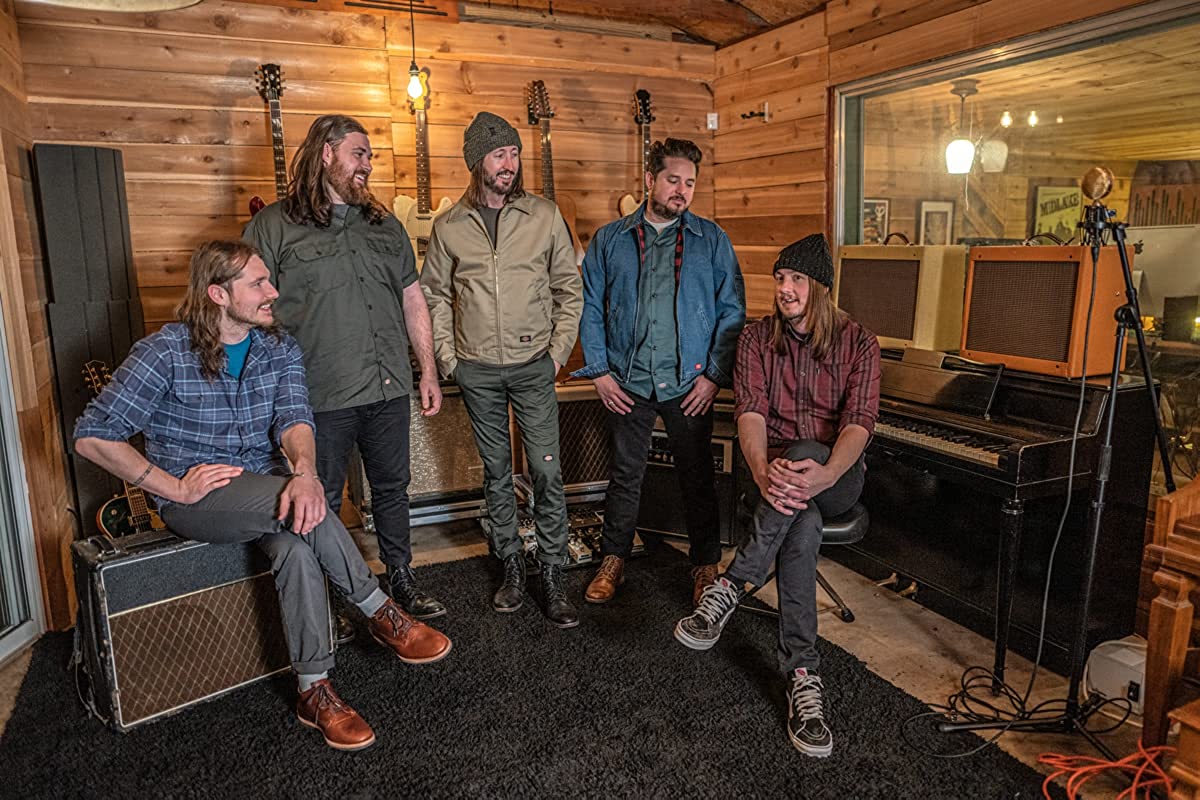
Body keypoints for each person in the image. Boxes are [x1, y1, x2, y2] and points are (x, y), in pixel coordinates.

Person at [74, 241, 452, 751]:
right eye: (257, 283)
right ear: (218, 294)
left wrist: (306, 472)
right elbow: (92, 436)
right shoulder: (163, 352)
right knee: (300, 510)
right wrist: (171, 486)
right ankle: (380, 610)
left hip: (267, 483)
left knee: (297, 545)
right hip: (198, 499)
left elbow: (295, 418)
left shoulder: (279, 347)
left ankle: (313, 690)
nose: (272, 291)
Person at [673, 234, 881, 758]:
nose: (785, 289)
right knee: (801, 523)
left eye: (797, 280)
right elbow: (751, 413)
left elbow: (858, 424)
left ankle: (731, 584)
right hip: (776, 479)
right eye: (780, 278)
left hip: (836, 478)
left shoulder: (859, 342)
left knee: (808, 455)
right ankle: (804, 680)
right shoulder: (756, 338)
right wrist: (765, 471)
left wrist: (823, 475)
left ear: (821, 287)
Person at [243, 114, 447, 621]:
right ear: (327, 153)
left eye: (370, 156)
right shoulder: (273, 226)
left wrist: (427, 370)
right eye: (359, 154)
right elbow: (249, 306)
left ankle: (401, 577)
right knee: (323, 499)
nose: (368, 165)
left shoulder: (385, 225)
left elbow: (413, 299)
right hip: (318, 394)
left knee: (393, 490)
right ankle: (331, 598)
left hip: (387, 385)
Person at [420, 112, 583, 627]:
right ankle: (511, 565)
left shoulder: (544, 216)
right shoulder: (449, 227)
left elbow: (569, 289)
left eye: (513, 153)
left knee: (547, 471)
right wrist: (449, 359)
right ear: (477, 163)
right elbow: (433, 296)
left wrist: (556, 353)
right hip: (478, 369)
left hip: (535, 366)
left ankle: (552, 572)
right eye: (498, 155)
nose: (509, 163)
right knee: (496, 473)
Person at [573, 138, 745, 606]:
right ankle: (613, 560)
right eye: (673, 180)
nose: (681, 191)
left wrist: (713, 376)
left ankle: (705, 566)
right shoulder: (610, 240)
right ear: (650, 179)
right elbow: (589, 307)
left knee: (698, 478)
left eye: (690, 183)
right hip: (627, 380)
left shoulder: (712, 240)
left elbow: (732, 311)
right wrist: (600, 371)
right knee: (625, 475)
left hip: (689, 382)